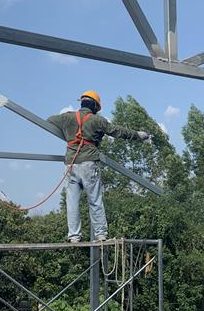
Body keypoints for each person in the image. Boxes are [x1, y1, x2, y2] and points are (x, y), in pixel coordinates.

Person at [47, 90, 152, 243]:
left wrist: (69, 134)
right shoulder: (97, 121)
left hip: (70, 165)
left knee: (72, 202)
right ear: (95, 106)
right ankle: (101, 234)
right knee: (95, 200)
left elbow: (49, 120)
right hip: (89, 163)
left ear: (82, 103)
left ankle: (74, 236)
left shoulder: (67, 117)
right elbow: (117, 131)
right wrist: (138, 135)